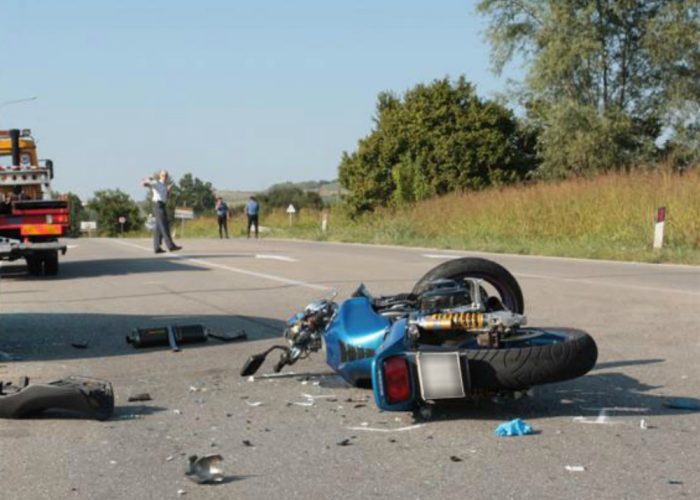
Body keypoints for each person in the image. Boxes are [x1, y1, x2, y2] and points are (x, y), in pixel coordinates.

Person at [142, 169, 182, 254]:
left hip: (162, 205)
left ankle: (157, 247)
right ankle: (171, 245)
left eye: (166, 175)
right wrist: (146, 181)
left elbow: (166, 197)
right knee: (164, 226)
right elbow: (146, 184)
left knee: (158, 228)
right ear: (160, 176)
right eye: (163, 175)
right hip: (158, 205)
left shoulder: (164, 186)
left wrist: (168, 191)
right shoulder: (157, 183)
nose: (165, 177)